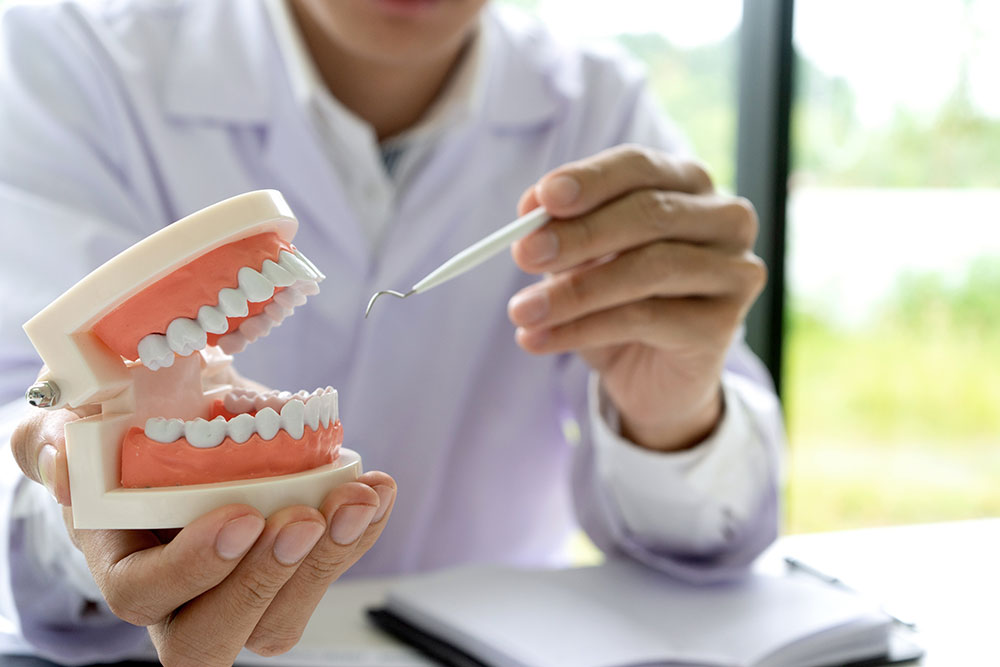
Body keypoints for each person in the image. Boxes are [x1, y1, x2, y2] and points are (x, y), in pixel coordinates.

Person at [0, 0, 783, 664]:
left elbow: (711, 540)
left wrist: (672, 416)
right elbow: (26, 409)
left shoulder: (601, 105)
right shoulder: (67, 56)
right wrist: (92, 495)